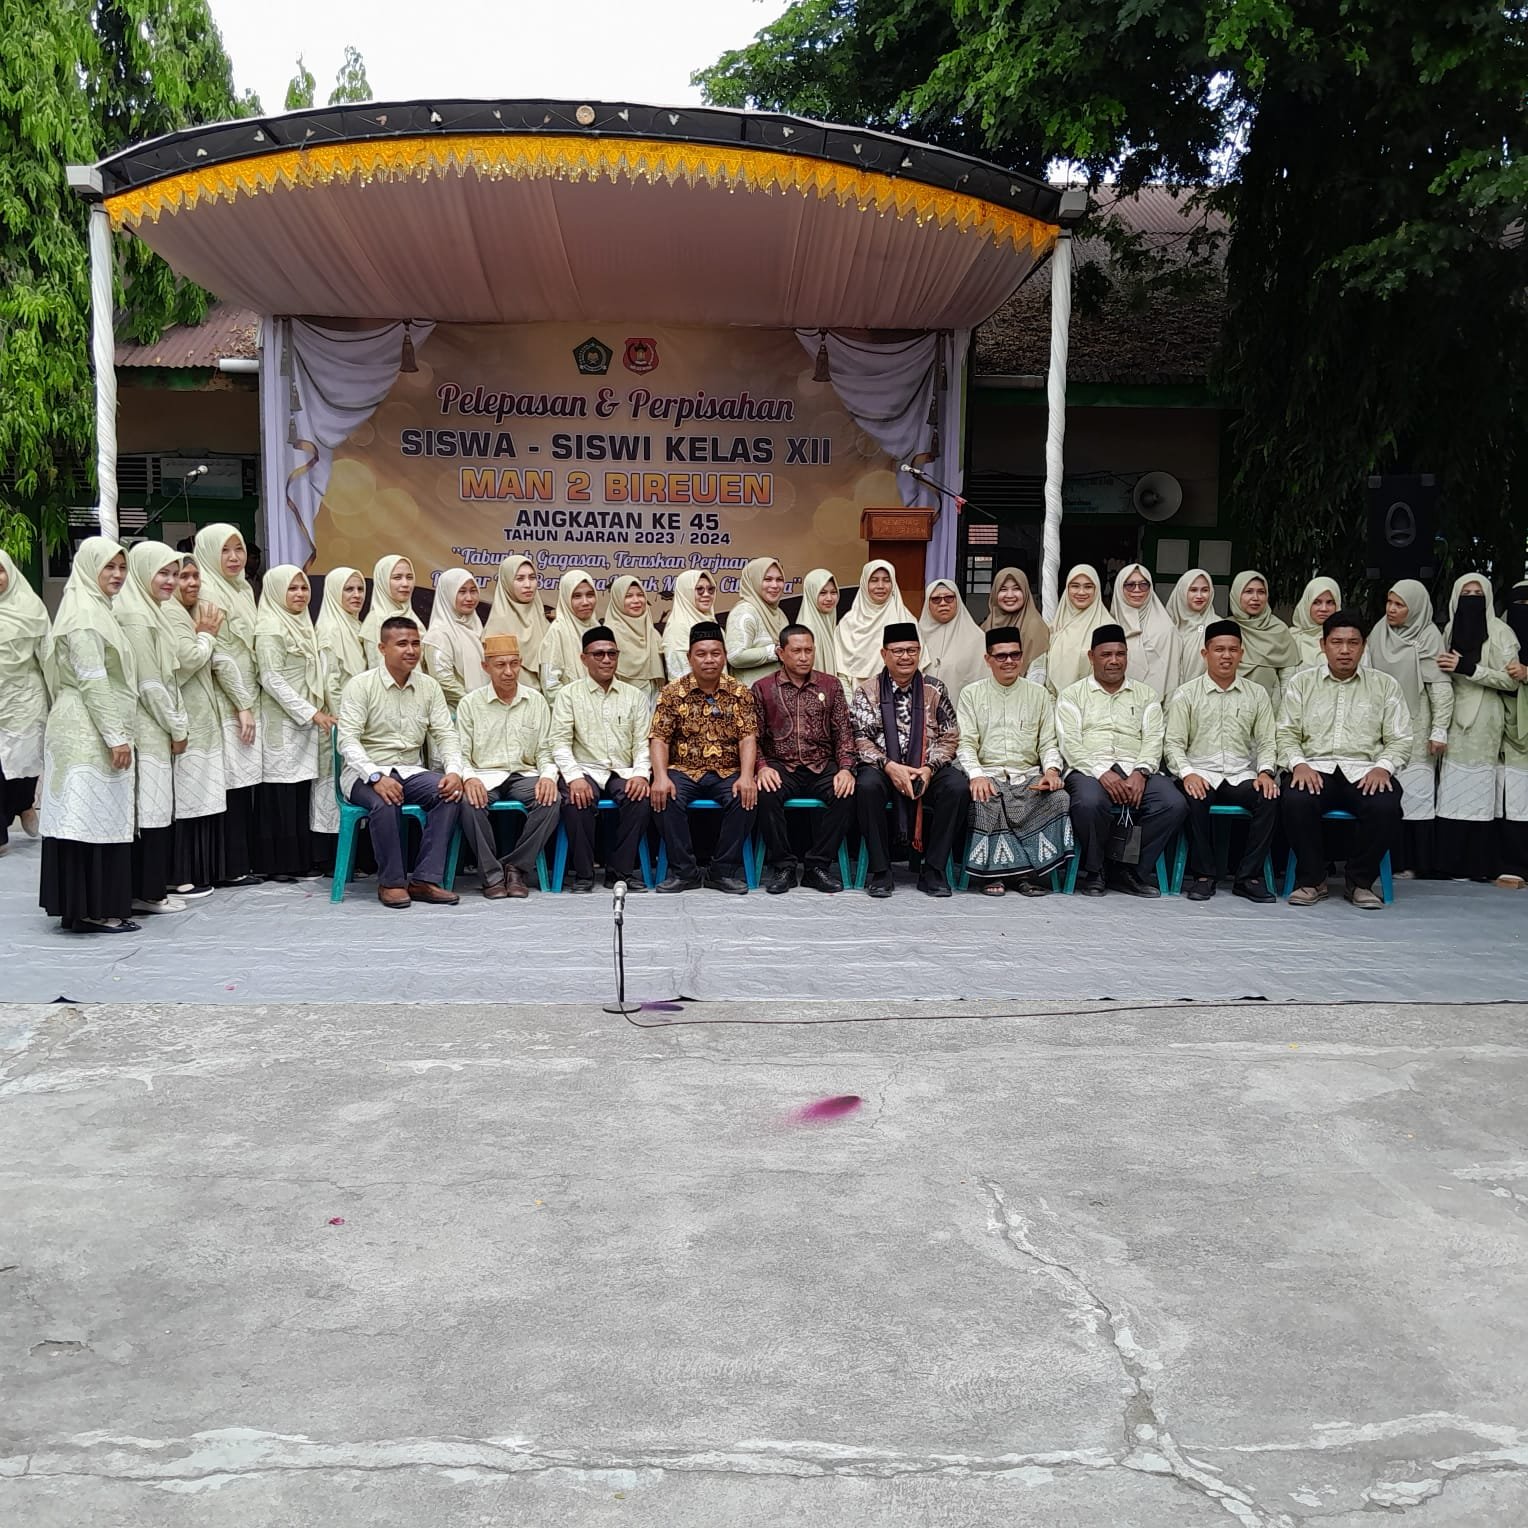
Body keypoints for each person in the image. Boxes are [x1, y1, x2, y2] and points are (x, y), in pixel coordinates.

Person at [1277, 610, 1411, 909]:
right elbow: (1285, 733)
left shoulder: (1385, 685)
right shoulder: (1302, 683)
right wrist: (1299, 764)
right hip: (1315, 767)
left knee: (1385, 805)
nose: (1345, 650)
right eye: (1337, 642)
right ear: (1323, 645)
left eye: (1353, 643)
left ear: (1364, 646)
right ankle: (1312, 880)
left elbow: (1401, 738)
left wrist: (1383, 768)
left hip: (1365, 770)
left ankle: (1360, 882)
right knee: (1296, 799)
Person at [37, 537, 138, 932]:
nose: (117, 574)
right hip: (85, 728)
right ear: (88, 568)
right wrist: (116, 736)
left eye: (122, 567)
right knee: (86, 818)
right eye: (108, 567)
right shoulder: (83, 616)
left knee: (90, 816)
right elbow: (92, 680)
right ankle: (89, 911)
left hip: (90, 724)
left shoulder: (97, 609)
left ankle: (84, 908)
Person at [336, 615, 464, 908]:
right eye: (402, 644)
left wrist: (454, 771)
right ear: (382, 648)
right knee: (385, 800)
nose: (411, 650)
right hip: (364, 772)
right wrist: (375, 776)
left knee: (450, 793)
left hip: (410, 770)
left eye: (416, 643)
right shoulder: (361, 685)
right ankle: (391, 882)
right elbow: (347, 740)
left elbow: (446, 734)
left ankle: (424, 880)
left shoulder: (429, 687)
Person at [1056, 624, 1186, 897]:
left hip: (1135, 767)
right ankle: (1096, 870)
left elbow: (1154, 739)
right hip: (1089, 769)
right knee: (1088, 803)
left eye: (1120, 654)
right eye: (1106, 654)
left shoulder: (1146, 695)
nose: (1114, 661)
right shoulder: (1072, 695)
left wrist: (1141, 771)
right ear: (1091, 657)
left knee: (1172, 803)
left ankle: (1128, 871)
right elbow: (1070, 744)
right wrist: (1102, 772)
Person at [1163, 619, 1279, 903]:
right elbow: (1173, 743)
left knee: (1269, 797)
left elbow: (1267, 741)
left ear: (1241, 653)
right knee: (1193, 797)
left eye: (1232, 650)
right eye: (1219, 650)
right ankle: (1204, 875)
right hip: (1200, 771)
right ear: (1205, 653)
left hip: (1241, 774)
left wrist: (1265, 772)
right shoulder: (1186, 694)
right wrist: (1187, 773)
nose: (1226, 656)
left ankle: (1248, 877)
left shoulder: (1256, 694)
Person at [849, 621, 966, 898]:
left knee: (957, 787)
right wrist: (889, 766)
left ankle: (934, 870)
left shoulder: (934, 689)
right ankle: (881, 870)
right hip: (883, 767)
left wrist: (929, 768)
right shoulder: (867, 691)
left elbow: (950, 736)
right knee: (866, 787)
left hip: (927, 768)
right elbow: (859, 739)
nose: (906, 657)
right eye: (898, 651)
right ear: (884, 654)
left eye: (912, 650)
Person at [955, 626, 1071, 897]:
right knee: (986, 796)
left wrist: (1052, 771)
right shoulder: (971, 694)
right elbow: (966, 743)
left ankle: (1030, 874)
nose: (1009, 661)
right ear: (988, 659)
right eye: (1001, 656)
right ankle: (995, 874)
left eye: (1015, 655)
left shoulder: (1039, 694)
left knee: (1059, 797)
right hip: (988, 772)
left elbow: (1048, 742)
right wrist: (976, 774)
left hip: (1027, 774)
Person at [649, 620, 758, 893]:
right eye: (701, 654)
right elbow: (659, 738)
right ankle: (684, 872)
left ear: (724, 656)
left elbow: (747, 737)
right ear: (689, 658)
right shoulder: (672, 693)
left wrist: (747, 776)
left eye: (715, 653)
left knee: (746, 796)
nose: (709, 660)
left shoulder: (740, 692)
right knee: (665, 795)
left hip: (727, 770)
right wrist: (660, 776)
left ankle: (721, 872)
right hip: (683, 769)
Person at [115, 542, 193, 914]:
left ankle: (150, 889)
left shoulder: (151, 611)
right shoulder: (136, 616)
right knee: (150, 810)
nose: (171, 581)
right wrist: (177, 728)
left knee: (155, 809)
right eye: (163, 573)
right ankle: (147, 893)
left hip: (155, 728)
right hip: (147, 729)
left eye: (175, 574)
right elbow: (149, 684)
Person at [455, 633, 561, 898]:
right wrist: (468, 777)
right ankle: (492, 875)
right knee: (468, 802)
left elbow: (545, 750)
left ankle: (516, 868)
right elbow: (460, 753)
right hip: (484, 775)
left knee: (551, 799)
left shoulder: (536, 701)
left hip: (523, 774)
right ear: (486, 667)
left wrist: (548, 776)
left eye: (514, 664)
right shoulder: (470, 704)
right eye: (500, 665)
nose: (508, 672)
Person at [752, 623, 855, 893]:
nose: (803, 657)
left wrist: (845, 769)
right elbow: (753, 736)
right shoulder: (763, 688)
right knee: (765, 793)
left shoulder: (830, 685)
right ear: (781, 653)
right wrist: (761, 767)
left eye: (808, 650)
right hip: (780, 765)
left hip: (821, 764)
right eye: (796, 651)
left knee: (846, 792)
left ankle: (817, 867)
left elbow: (844, 733)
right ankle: (783, 866)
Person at [550, 625, 653, 892]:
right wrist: (574, 777)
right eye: (598, 654)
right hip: (585, 768)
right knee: (576, 800)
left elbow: (643, 743)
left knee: (640, 799)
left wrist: (641, 774)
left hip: (623, 770)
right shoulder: (569, 695)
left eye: (612, 653)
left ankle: (619, 872)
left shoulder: (634, 696)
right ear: (584, 659)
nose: (606, 660)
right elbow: (559, 743)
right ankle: (584, 874)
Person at [1434, 573, 1521, 882]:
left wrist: (1470, 668)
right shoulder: (1449, 629)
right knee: (1451, 790)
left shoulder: (1500, 632)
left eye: (1478, 594)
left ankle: (1476, 865)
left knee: (1479, 790)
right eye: (1465, 594)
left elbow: (1511, 680)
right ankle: (1449, 864)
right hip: (1453, 714)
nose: (1471, 599)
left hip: (1485, 716)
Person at [1365, 580, 1452, 877]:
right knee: (1385, 791)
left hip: (1416, 724)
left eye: (1399, 605)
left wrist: (1439, 730)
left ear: (1415, 608)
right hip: (1381, 723)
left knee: (1417, 792)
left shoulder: (1429, 636)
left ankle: (1416, 863)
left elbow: (1440, 688)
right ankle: (1390, 860)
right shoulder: (1379, 632)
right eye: (1389, 602)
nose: (1391, 609)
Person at [193, 523, 262, 886]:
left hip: (247, 698)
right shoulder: (207, 592)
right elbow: (219, 656)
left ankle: (240, 863)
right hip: (225, 702)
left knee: (242, 783)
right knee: (229, 783)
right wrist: (241, 704)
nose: (235, 558)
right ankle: (227, 868)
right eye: (225, 550)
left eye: (239, 549)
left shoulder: (242, 588)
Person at [253, 566, 331, 881]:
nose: (300, 594)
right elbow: (271, 678)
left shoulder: (302, 624)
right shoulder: (270, 627)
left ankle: (298, 860)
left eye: (303, 588)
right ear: (275, 591)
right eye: (292, 588)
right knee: (280, 793)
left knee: (298, 791)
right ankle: (277, 864)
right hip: (281, 721)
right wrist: (310, 712)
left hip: (303, 720)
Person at [164, 556, 227, 894]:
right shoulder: (170, 612)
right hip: (182, 717)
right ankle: (179, 874)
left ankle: (198, 872)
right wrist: (206, 636)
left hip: (201, 716)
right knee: (184, 799)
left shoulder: (192, 611)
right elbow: (186, 662)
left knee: (200, 795)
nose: (191, 583)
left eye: (194, 576)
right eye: (181, 576)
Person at [310, 567, 369, 863]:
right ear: (334, 592)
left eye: (360, 589)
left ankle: (352, 858)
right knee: (331, 789)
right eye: (348, 589)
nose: (356, 595)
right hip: (338, 722)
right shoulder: (330, 630)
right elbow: (329, 681)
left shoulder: (355, 626)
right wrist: (343, 720)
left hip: (357, 721)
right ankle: (329, 859)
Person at [0, 549, 50, 845]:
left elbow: (48, 655)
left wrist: (58, 694)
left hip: (24, 699)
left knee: (24, 760)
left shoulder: (30, 608)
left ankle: (23, 803)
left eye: (0, 570)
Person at [834, 559, 915, 692]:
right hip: (857, 699)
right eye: (874, 580)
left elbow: (918, 666)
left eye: (886, 580)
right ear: (864, 583)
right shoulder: (847, 624)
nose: (880, 586)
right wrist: (851, 702)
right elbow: (841, 674)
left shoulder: (907, 621)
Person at [1109, 563, 1180, 700]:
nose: (1137, 590)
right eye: (1130, 585)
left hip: (1154, 705)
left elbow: (1172, 677)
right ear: (1119, 588)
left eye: (1143, 585)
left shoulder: (1166, 629)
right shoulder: (1108, 626)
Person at [1229, 570, 1299, 704]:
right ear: (1237, 594)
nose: (1255, 598)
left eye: (1261, 592)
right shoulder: (1225, 628)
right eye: (1248, 591)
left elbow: (1287, 679)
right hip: (1230, 704)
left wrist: (1284, 712)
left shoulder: (1278, 629)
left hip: (1269, 705)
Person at [1498, 579, 1528, 887]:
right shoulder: (1500, 636)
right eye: (1519, 605)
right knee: (1509, 799)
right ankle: (1509, 864)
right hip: (1503, 726)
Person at [423, 568, 488, 709]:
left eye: (473, 591)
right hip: (456, 712)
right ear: (447, 594)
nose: (469, 598)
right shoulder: (438, 636)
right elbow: (443, 681)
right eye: (462, 592)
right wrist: (474, 704)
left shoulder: (478, 628)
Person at [483, 554, 550, 689]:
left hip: (545, 697)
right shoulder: (498, 625)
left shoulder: (542, 619)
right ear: (506, 582)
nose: (528, 585)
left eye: (532, 578)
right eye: (520, 579)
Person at [916, 579, 987, 703]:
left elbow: (983, 683)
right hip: (922, 709)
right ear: (927, 603)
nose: (943, 603)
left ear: (957, 600)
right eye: (936, 599)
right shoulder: (916, 636)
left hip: (961, 709)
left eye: (949, 598)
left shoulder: (978, 639)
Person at [1044, 564, 1110, 694]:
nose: (1081, 592)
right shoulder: (1054, 627)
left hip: (1093, 700)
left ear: (1096, 589)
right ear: (1067, 589)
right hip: (1054, 700)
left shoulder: (1107, 628)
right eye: (1075, 586)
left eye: (1088, 587)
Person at [536, 568, 601, 698]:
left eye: (590, 595)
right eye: (577, 596)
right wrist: (572, 707)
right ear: (566, 599)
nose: (585, 602)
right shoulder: (558, 631)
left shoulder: (597, 628)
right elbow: (550, 684)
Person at [726, 556, 788, 685]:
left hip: (777, 690)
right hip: (751, 693)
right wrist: (774, 651)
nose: (775, 585)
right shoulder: (744, 612)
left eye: (779, 580)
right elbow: (735, 656)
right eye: (767, 579)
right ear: (754, 581)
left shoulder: (779, 613)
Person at [604, 574, 666, 704]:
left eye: (640, 595)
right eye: (628, 596)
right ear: (617, 599)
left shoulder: (652, 632)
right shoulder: (609, 635)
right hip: (622, 705)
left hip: (653, 703)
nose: (636, 600)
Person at [980, 566, 1049, 684]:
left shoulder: (1034, 626)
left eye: (1016, 589)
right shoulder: (987, 625)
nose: (1009, 595)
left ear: (1025, 592)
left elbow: (1037, 676)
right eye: (1003, 589)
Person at [359, 554, 416, 668]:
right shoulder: (376, 621)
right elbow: (379, 668)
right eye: (397, 578)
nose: (405, 584)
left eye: (409, 577)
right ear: (382, 581)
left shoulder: (411, 616)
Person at [661, 569, 718, 680]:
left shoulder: (711, 621)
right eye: (699, 589)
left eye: (710, 589)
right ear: (685, 593)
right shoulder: (678, 628)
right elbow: (680, 677)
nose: (706, 594)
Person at [1166, 568, 1215, 689]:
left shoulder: (1217, 627)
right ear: (1182, 592)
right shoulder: (1166, 626)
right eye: (1193, 590)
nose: (1199, 596)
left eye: (1205, 590)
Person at [796, 568, 841, 679]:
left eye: (833, 592)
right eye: (822, 593)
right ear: (811, 593)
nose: (829, 598)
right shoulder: (807, 630)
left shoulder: (828, 622)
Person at [1291, 576, 1342, 668]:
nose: (1323, 609)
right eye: (1316, 602)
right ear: (1306, 604)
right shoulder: (1292, 638)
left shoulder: (1348, 638)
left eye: (1330, 602)